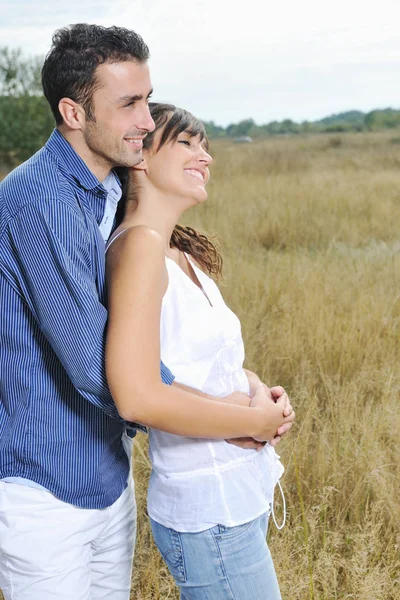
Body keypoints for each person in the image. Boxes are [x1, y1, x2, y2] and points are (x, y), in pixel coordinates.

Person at [0, 25, 294, 600]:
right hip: (46, 490)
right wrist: (236, 413)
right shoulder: (40, 201)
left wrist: (242, 388)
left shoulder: (103, 188)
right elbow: (98, 367)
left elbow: (153, 341)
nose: (144, 120)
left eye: (146, 97)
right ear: (73, 112)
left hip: (107, 476)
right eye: (129, 104)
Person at [105, 103, 295, 599]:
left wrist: (261, 395)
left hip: (236, 496)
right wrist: (251, 422)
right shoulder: (138, 250)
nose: (204, 156)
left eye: (204, 145)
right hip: (207, 508)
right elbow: (139, 392)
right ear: (140, 157)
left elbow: (211, 363)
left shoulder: (178, 252)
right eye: (186, 143)